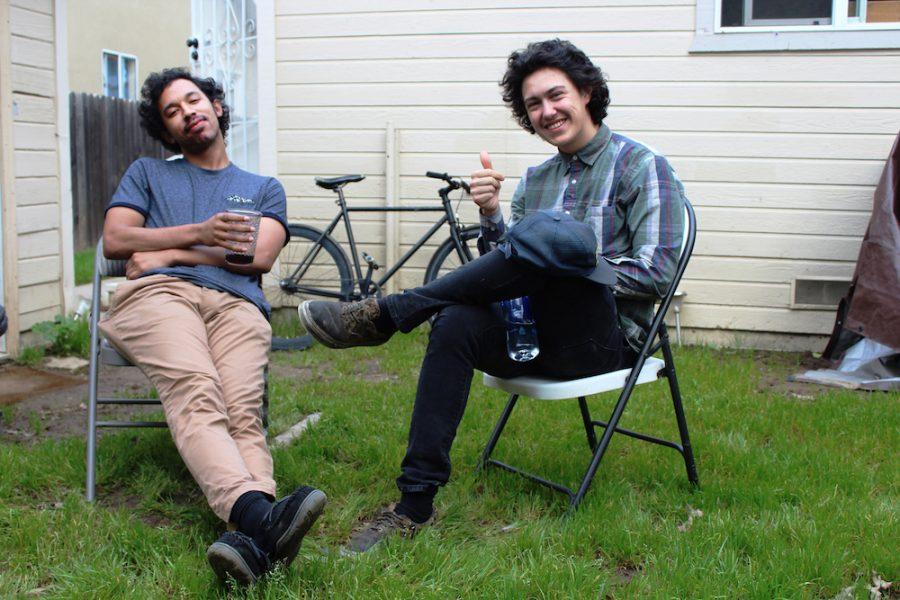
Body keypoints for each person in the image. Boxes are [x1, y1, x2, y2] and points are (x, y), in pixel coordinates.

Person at [299, 39, 686, 552]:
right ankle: (414, 505)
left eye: (556, 95)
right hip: (532, 336)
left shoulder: (641, 166)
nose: (547, 112)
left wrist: (573, 264)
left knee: (554, 234)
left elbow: (660, 273)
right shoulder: (535, 180)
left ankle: (392, 312)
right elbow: (506, 271)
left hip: (603, 341)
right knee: (456, 320)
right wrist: (491, 217)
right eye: (533, 105)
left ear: (587, 92)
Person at [101, 68, 326, 584]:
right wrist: (205, 235)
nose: (187, 112)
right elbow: (116, 239)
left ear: (217, 107)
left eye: (193, 100)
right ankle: (263, 520)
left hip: (235, 302)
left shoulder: (262, 188)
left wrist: (170, 250)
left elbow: (258, 255)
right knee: (197, 388)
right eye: (172, 111)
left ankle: (251, 542)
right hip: (158, 296)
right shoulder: (148, 174)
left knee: (242, 412)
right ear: (166, 130)